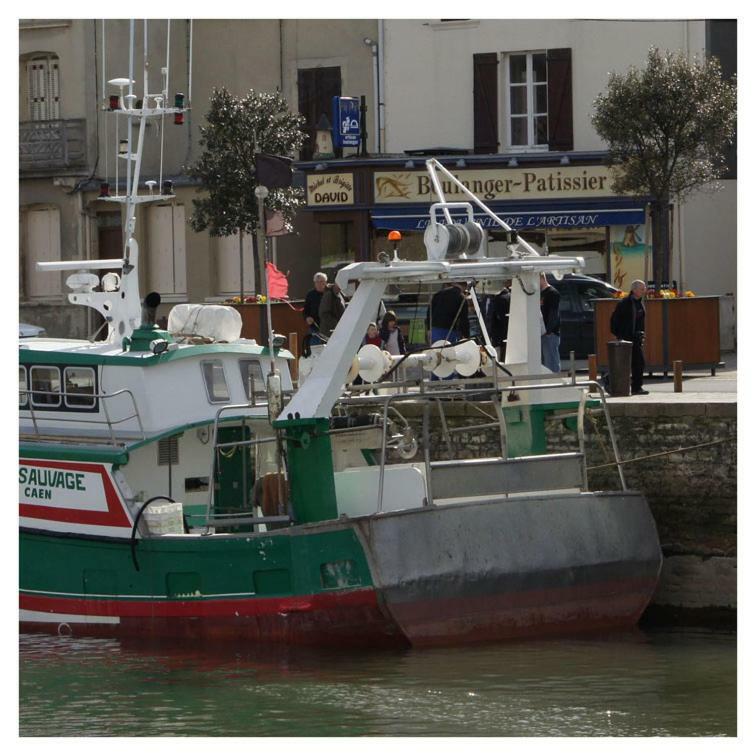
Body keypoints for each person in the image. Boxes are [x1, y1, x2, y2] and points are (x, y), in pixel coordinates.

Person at [610, 279, 648, 395]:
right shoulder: (624, 303)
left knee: (639, 362)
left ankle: (636, 387)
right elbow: (614, 321)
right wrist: (620, 335)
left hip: (636, 339)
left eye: (644, 288)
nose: (644, 291)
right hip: (626, 339)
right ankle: (616, 384)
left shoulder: (639, 302)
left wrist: (640, 334)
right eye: (642, 289)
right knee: (624, 364)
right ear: (634, 290)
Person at [540, 274, 561, 373]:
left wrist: (548, 331)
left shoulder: (552, 293)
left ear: (541, 278)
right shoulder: (540, 293)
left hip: (550, 333)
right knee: (546, 362)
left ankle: (555, 383)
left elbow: (554, 314)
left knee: (551, 362)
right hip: (543, 332)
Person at [485, 283, 511, 360]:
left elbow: (499, 317)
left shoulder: (499, 299)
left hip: (498, 335)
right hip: (507, 333)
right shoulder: (510, 296)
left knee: (497, 357)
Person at [303, 272, 327, 343]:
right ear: (314, 283)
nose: (319, 284)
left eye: (321, 281)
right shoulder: (310, 294)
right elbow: (305, 310)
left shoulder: (329, 293)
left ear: (325, 282)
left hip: (327, 328)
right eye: (317, 282)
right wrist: (307, 318)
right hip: (314, 327)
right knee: (315, 350)